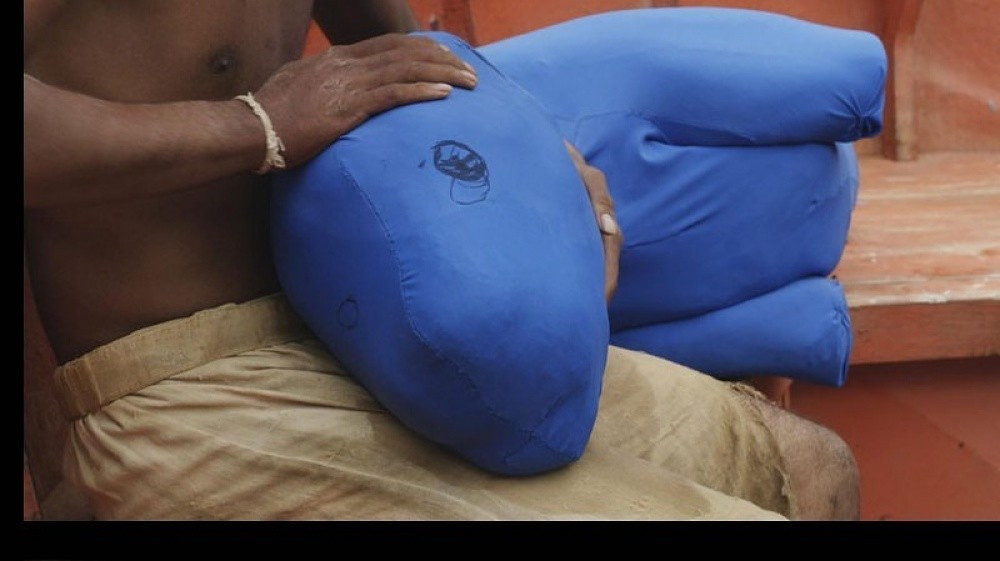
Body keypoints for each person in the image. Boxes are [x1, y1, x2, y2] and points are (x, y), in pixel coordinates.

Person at [23, 0, 859, 520]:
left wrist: (557, 171)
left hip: (353, 338)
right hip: (183, 394)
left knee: (814, 468)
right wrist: (257, 127)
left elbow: (413, 56)